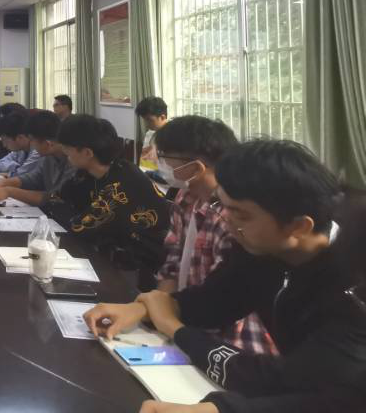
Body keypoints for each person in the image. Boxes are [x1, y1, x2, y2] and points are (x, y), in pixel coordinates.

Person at [85, 140, 366, 413]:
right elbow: (216, 300)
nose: (226, 221)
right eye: (224, 206)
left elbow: (304, 385)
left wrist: (175, 328)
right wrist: (143, 308)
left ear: (298, 226)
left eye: (241, 215)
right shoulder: (263, 248)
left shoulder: (351, 289)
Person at [153, 116, 274, 354]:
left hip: (230, 343)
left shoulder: (232, 220)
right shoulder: (185, 198)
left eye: (165, 157)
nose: (161, 164)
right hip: (183, 322)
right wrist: (157, 310)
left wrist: (168, 320)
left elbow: (222, 300)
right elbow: (173, 263)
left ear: (196, 168)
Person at [43, 114, 169, 284]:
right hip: (106, 254)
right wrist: (71, 214)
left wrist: (71, 214)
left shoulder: (121, 183)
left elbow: (80, 228)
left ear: (87, 153)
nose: (64, 153)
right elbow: (53, 200)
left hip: (139, 270)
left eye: (67, 149)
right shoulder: (87, 173)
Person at [0, 111, 75, 206]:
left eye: (32, 140)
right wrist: (1, 183)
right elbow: (32, 179)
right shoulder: (48, 156)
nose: (31, 145)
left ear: (47, 144)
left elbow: (55, 198)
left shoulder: (73, 162)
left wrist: (9, 191)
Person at [0, 111, 40, 177]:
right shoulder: (20, 150)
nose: (4, 145)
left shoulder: (37, 152)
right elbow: (0, 164)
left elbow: (20, 176)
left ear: (20, 138)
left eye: (5, 140)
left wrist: (10, 173)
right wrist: (16, 167)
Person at [135, 96, 168, 171]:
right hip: (148, 173)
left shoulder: (175, 136)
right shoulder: (150, 134)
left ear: (162, 117)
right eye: (145, 120)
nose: (146, 124)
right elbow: (145, 163)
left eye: (149, 120)